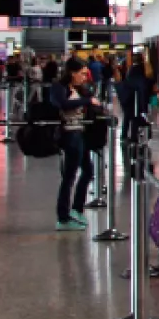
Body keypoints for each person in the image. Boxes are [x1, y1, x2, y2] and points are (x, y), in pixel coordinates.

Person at [52, 58, 100, 231]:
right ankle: (63, 217)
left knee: (88, 171)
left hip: (81, 133)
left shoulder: (80, 89)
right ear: (72, 73)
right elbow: (62, 104)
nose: (84, 77)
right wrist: (86, 101)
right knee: (69, 176)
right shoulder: (59, 88)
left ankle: (77, 208)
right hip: (69, 134)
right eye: (81, 73)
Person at [118, 53, 152, 144]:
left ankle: (125, 135)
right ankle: (133, 136)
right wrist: (144, 106)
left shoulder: (131, 70)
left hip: (126, 97)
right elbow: (142, 87)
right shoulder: (140, 71)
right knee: (135, 117)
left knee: (127, 116)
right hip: (134, 99)